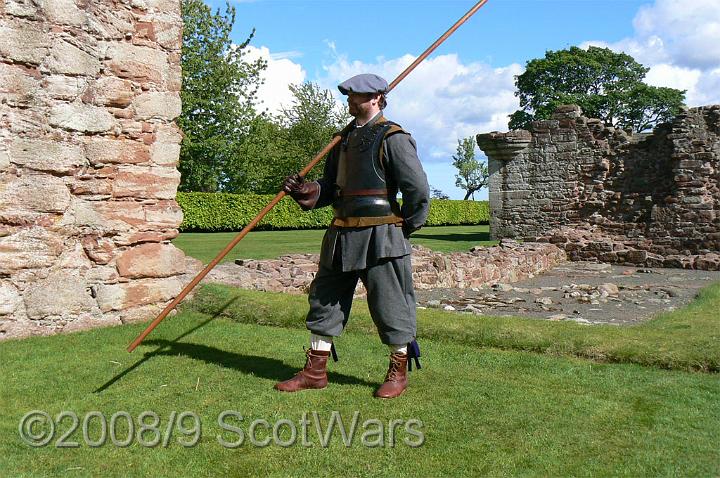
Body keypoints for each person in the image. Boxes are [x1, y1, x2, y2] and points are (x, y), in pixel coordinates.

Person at [275, 73, 430, 399]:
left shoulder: (394, 138)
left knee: (391, 305)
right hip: (341, 235)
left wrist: (406, 226)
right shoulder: (340, 141)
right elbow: (331, 188)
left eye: (356, 95)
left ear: (376, 97)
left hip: (382, 237)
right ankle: (315, 372)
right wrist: (305, 190)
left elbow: (418, 190)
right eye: (348, 95)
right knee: (324, 301)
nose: (349, 100)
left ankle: (398, 372)